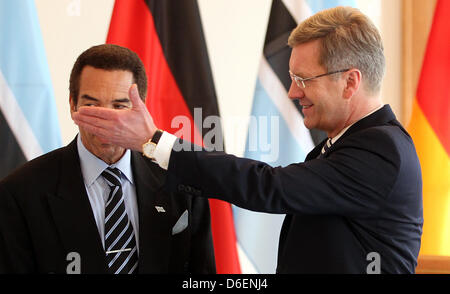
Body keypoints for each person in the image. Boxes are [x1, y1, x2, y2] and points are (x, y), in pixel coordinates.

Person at [72, 7, 423, 273]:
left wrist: (153, 141)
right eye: (291, 78)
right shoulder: (341, 146)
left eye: (303, 79)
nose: (291, 92)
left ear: (349, 82)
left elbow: (267, 186)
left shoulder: (382, 150)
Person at [0, 44, 215, 274]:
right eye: (92, 105)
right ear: (72, 104)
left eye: (119, 106)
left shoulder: (180, 183)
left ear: (140, 109)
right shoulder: (20, 193)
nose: (106, 121)